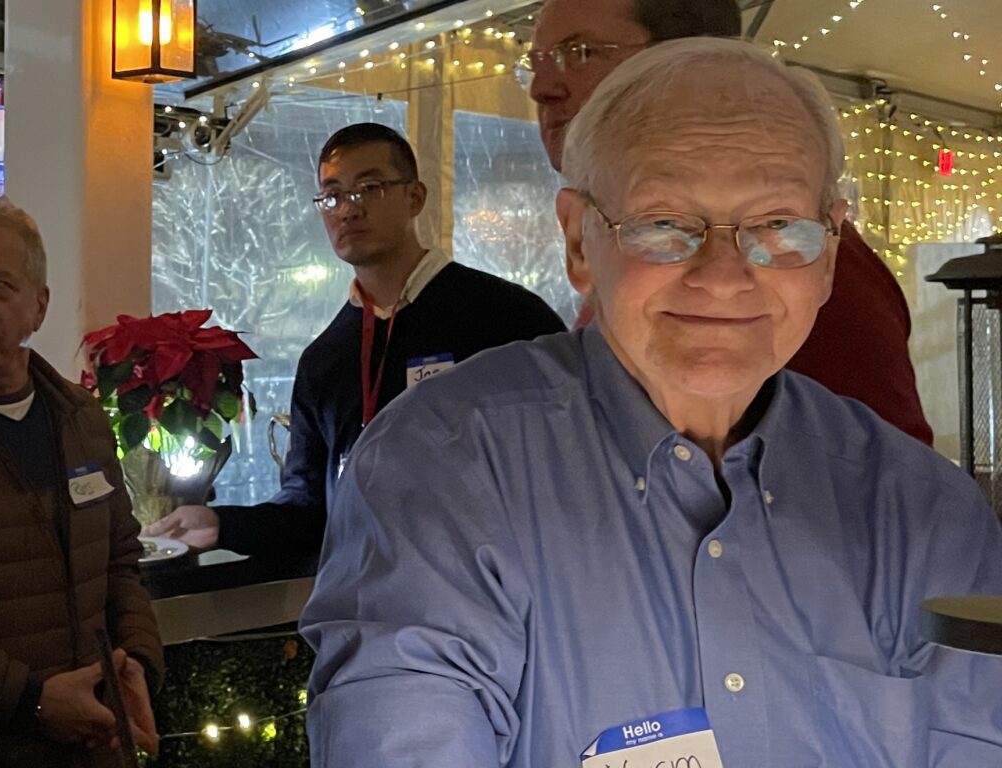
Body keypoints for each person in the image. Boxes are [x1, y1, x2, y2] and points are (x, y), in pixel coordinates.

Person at [300, 40, 1002, 767]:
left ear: (827, 254)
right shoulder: (445, 470)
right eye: (665, 222)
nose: (725, 275)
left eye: (777, 225)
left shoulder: (926, 516)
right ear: (579, 241)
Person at [524, 0, 933, 445]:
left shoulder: (803, 271)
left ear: (692, 55)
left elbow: (873, 476)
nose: (541, 88)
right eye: (534, 63)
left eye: (582, 52)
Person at [145, 123, 566, 555]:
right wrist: (221, 524)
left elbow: (567, 468)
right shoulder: (325, 358)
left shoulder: (507, 318)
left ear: (415, 198)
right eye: (332, 195)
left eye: (370, 188)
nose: (348, 210)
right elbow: (309, 508)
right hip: (367, 604)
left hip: (496, 594)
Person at [0, 197, 163, 766]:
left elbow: (120, 562)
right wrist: (33, 701)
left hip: (94, 746)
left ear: (39, 306)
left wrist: (137, 670)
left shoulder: (80, 418)